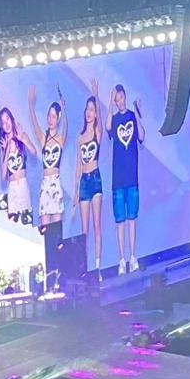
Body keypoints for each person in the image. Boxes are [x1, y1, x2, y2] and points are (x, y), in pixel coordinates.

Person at [106, 84, 145, 276]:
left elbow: (142, 136)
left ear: (125, 97)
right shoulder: (114, 119)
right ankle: (121, 260)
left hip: (132, 178)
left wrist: (137, 113)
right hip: (118, 180)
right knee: (120, 221)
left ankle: (133, 257)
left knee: (132, 219)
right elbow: (107, 127)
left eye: (121, 97)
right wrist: (109, 102)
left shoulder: (131, 116)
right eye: (116, 99)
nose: (119, 101)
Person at [73, 80, 105, 280]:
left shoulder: (96, 133)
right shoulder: (80, 137)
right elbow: (78, 164)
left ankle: (98, 268)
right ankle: (85, 269)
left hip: (96, 179)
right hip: (84, 182)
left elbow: (100, 123)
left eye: (92, 109)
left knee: (97, 226)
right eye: (87, 109)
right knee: (84, 230)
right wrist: (75, 191)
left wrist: (96, 96)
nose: (89, 112)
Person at [28, 85, 68, 233]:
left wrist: (64, 109)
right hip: (45, 186)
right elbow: (34, 123)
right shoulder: (43, 138)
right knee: (46, 230)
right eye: (49, 116)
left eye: (53, 116)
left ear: (58, 119)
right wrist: (31, 105)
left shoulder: (61, 139)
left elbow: (67, 127)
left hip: (56, 184)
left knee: (57, 231)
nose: (50, 119)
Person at [0, 106, 37, 224]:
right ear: (1, 127)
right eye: (3, 122)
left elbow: (34, 152)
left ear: (12, 119)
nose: (6, 124)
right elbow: (3, 177)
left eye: (7, 119)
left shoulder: (22, 135)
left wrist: (22, 139)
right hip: (12, 188)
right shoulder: (3, 145)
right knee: (14, 224)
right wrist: (6, 150)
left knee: (26, 222)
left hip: (23, 185)